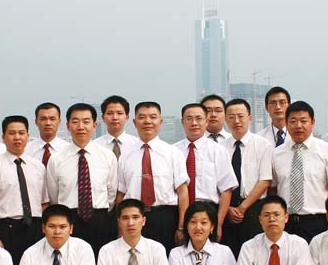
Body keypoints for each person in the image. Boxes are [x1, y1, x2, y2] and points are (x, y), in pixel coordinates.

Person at [116, 102, 190, 253]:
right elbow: (121, 194)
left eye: (153, 117)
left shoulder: (173, 153)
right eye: (142, 117)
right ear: (134, 122)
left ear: (160, 121)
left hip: (165, 218)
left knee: (165, 260)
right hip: (134, 218)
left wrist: (181, 227)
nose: (147, 121)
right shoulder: (125, 155)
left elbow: (183, 193)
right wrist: (119, 228)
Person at [0, 115, 49, 265]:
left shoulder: (38, 167)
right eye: (12, 133)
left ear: (28, 136)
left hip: (35, 227)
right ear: (3, 137)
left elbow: (44, 202)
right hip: (6, 228)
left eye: (21, 133)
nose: (17, 137)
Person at [46, 103, 118, 256]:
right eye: (75, 121)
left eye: (86, 121)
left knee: (101, 261)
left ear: (94, 125)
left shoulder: (107, 157)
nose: (81, 126)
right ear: (67, 125)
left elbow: (111, 193)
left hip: (100, 220)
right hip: (69, 221)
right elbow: (53, 195)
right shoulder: (56, 159)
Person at [272, 101, 328, 242]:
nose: (298, 126)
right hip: (285, 222)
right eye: (293, 121)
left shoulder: (327, 151)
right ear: (286, 124)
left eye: (303, 121)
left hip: (317, 221)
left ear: (312, 123)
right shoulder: (277, 154)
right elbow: (274, 188)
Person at [174, 103, 238, 240]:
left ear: (206, 121)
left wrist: (218, 224)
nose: (194, 123)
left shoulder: (218, 151)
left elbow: (226, 190)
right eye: (189, 118)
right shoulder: (173, 151)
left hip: (209, 213)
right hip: (178, 212)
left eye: (199, 118)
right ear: (182, 122)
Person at [221, 98, 273, 256]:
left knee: (254, 254)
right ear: (226, 120)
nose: (236, 121)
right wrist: (227, 208)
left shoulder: (263, 144)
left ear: (249, 118)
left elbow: (265, 180)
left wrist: (243, 207)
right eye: (231, 117)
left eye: (241, 116)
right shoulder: (220, 148)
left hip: (253, 208)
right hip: (226, 209)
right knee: (228, 254)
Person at [94, 95, 139, 163]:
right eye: (110, 113)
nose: (115, 117)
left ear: (127, 117)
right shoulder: (95, 146)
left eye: (119, 113)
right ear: (103, 118)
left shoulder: (137, 145)